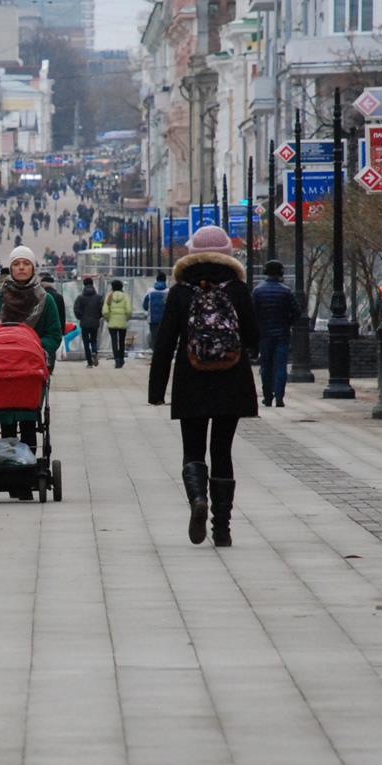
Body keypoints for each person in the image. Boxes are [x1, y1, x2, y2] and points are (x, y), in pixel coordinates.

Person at [149, 225, 259, 548]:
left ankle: (198, 499)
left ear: (191, 254)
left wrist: (157, 390)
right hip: (232, 381)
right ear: (227, 254)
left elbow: (165, 342)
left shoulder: (180, 292)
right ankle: (222, 528)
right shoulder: (238, 290)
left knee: (193, 449)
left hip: (190, 380)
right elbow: (254, 338)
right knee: (222, 450)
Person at [0, 246, 62, 500]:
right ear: (10, 268)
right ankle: (9, 471)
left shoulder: (45, 300)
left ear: (34, 267)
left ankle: (27, 471)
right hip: (0, 371)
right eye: (16, 264)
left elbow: (53, 333)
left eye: (26, 264)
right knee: (6, 422)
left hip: (29, 371)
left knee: (30, 421)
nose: (21, 268)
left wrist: (36, 349)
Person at [252, 259, 301, 407]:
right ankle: (280, 397)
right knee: (281, 365)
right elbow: (297, 312)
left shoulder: (258, 291)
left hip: (264, 334)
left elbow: (252, 313)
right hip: (282, 333)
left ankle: (267, 397)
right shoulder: (285, 291)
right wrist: (289, 322)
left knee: (266, 366)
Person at [72, 276, 103, 367]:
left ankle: (89, 363)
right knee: (94, 340)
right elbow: (102, 309)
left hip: (84, 322)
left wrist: (80, 317)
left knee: (86, 342)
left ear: (84, 285)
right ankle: (94, 351)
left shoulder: (80, 297)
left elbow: (76, 309)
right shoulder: (99, 297)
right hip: (95, 322)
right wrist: (98, 316)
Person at [102, 279, 132, 368]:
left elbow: (105, 311)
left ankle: (117, 360)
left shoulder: (109, 296)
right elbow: (129, 310)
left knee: (114, 342)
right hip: (122, 322)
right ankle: (122, 359)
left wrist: (108, 319)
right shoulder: (125, 296)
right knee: (122, 341)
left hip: (112, 323)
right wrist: (126, 318)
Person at [143, 271, 169, 350]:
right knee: (164, 339)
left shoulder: (150, 291)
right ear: (165, 280)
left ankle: (155, 356)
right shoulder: (168, 291)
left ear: (156, 280)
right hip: (165, 320)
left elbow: (145, 305)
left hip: (152, 320)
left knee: (154, 338)